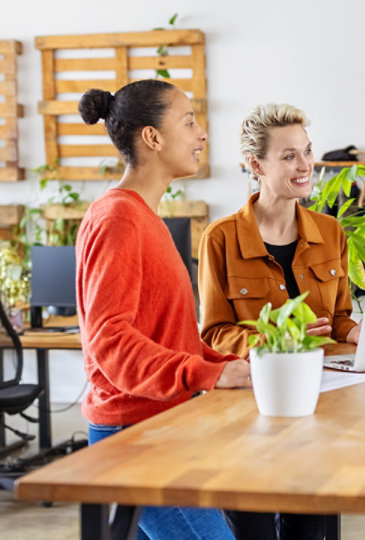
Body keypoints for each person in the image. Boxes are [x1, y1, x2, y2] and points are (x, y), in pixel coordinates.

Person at [76, 80, 251, 540]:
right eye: (189, 121)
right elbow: (110, 341)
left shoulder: (143, 218)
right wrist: (204, 374)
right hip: (134, 434)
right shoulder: (117, 218)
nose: (201, 133)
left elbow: (170, 337)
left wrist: (233, 364)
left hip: (164, 424)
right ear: (152, 138)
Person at [198, 103, 357, 539]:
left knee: (312, 531)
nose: (306, 165)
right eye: (289, 156)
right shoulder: (222, 237)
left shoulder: (331, 232)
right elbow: (213, 334)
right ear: (256, 165)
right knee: (254, 531)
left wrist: (358, 331)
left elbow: (339, 318)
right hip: (251, 412)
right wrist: (277, 338)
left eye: (307, 151)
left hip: (319, 407)